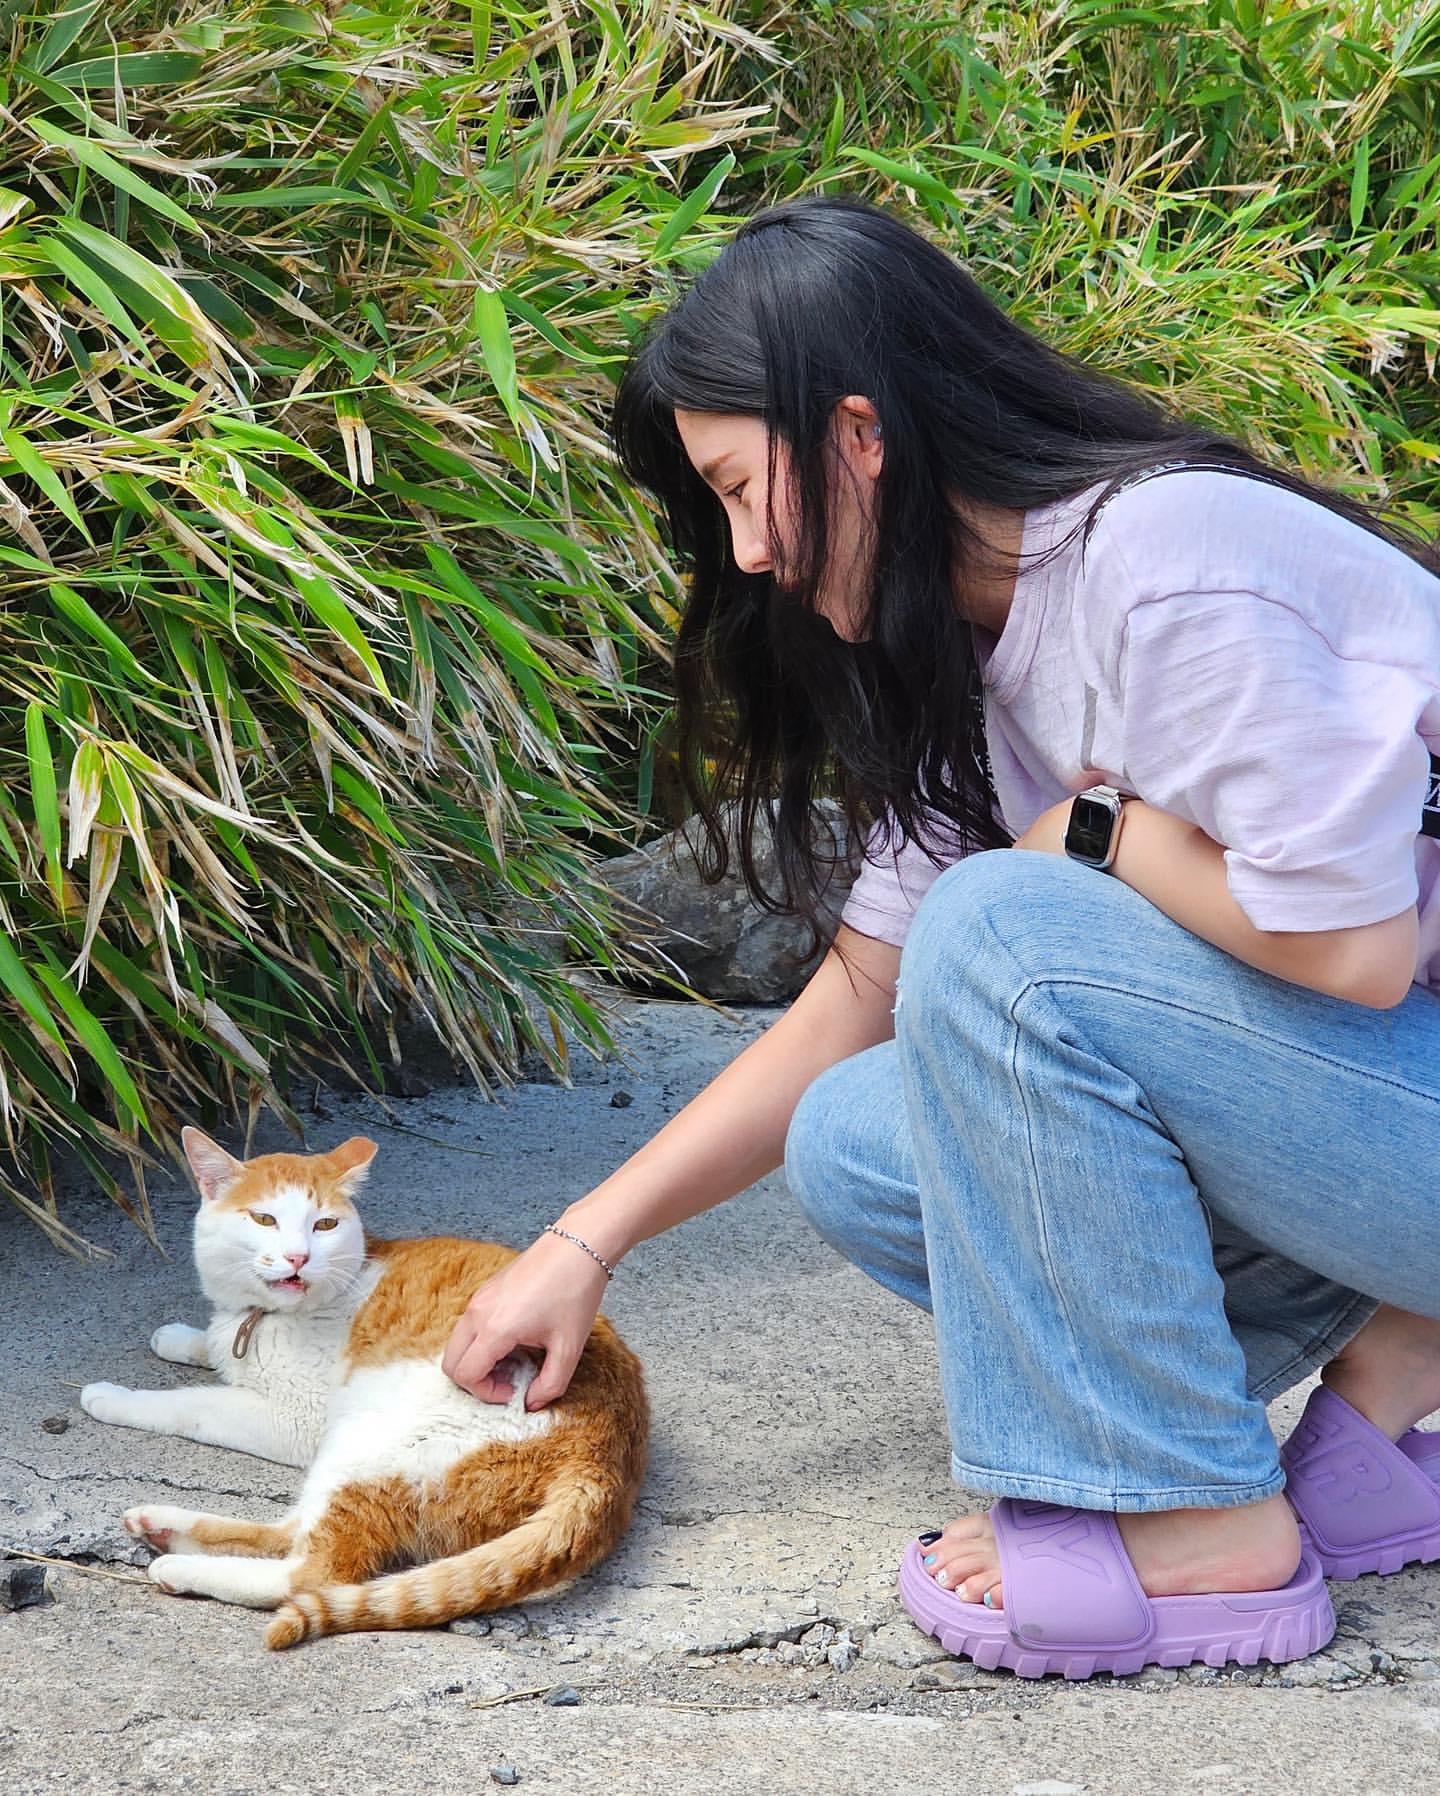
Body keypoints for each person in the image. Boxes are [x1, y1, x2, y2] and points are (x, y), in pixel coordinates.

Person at [442, 194, 1440, 1678]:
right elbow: (858, 998)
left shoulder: (1167, 558)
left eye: (742, 489)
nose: (748, 553)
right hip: (1377, 1123)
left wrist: (1093, 833)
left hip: (1392, 1081)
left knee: (1006, 925)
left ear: (857, 436)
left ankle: (1196, 1522)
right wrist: (582, 1246)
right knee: (861, 1139)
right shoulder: (969, 650)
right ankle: (1389, 1350)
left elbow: (1357, 954)